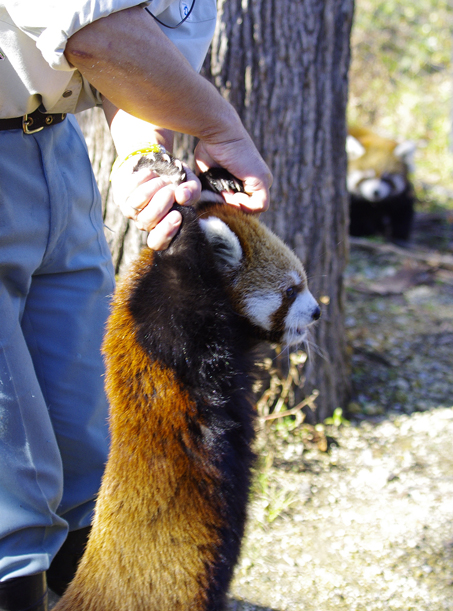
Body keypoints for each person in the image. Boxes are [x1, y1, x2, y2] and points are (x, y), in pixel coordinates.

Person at [0, 1, 272, 609]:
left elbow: (128, 67)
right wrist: (220, 127)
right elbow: (90, 31)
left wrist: (144, 157)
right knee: (8, 486)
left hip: (52, 144)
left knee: (87, 441)